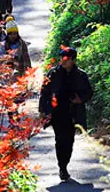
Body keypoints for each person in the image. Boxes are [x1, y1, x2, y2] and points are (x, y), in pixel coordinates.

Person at [39, 47, 94, 181]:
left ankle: (64, 164)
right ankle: (62, 168)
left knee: (69, 140)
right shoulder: (53, 73)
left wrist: (80, 100)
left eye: (66, 59)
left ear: (73, 60)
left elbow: (89, 92)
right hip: (57, 112)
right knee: (60, 139)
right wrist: (43, 111)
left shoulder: (81, 75)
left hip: (73, 112)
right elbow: (44, 92)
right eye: (61, 58)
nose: (62, 61)